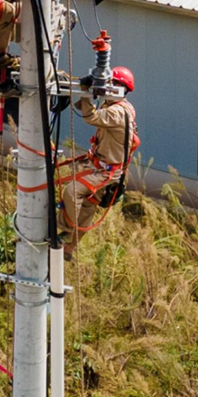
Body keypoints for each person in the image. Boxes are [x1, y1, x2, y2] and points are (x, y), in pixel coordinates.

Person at [59, 66, 139, 258]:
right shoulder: (115, 106)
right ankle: (69, 247)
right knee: (87, 206)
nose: (108, 86)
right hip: (99, 167)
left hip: (107, 172)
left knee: (72, 192)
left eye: (112, 83)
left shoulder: (118, 112)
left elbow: (91, 117)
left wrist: (85, 94)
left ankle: (63, 232)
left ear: (121, 87)